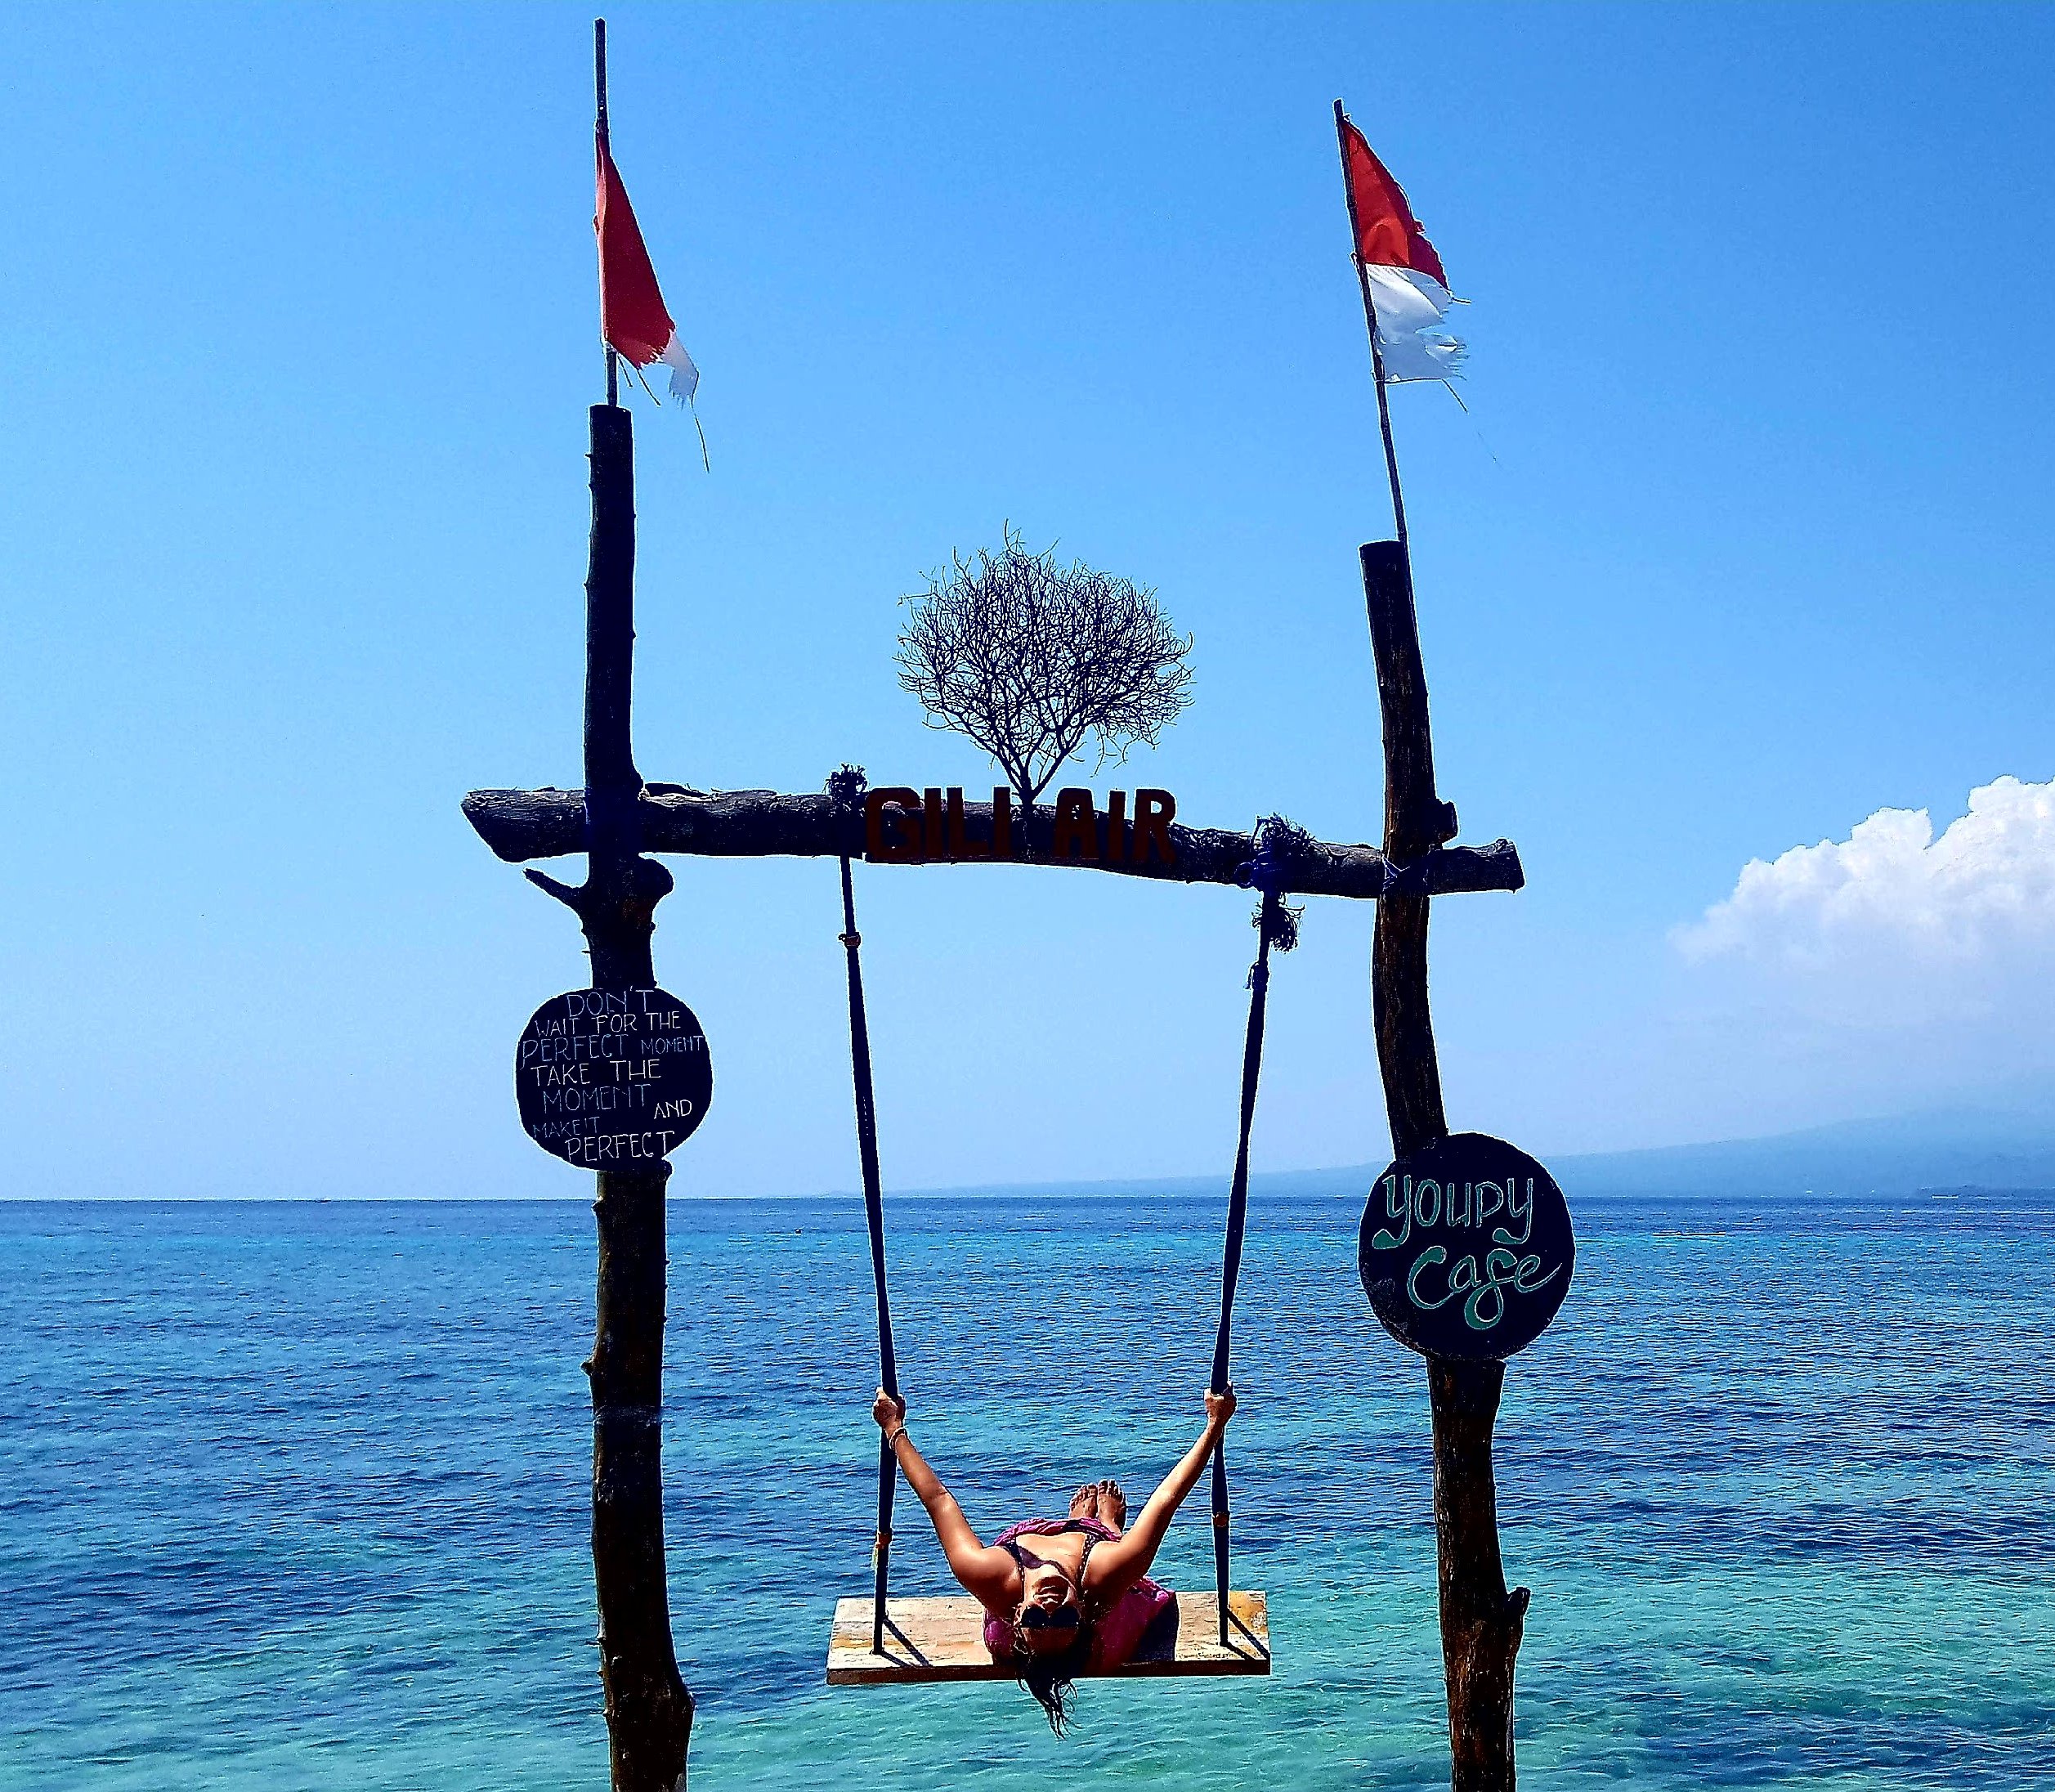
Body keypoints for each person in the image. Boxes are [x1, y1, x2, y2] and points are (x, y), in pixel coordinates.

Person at [871, 1383, 1237, 1732]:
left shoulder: (990, 1576)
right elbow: (1166, 1499)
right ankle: (1103, 1526)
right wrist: (1214, 1426)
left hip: (1018, 1596)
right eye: (1062, 1617)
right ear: (1081, 1613)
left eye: (1035, 1617)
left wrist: (893, 1429)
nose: (1049, 1607)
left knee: (1019, 1641)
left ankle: (1082, 1524)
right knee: (1123, 1564)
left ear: (1017, 1614)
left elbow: (938, 1501)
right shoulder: (1105, 1576)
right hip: (1092, 1569)